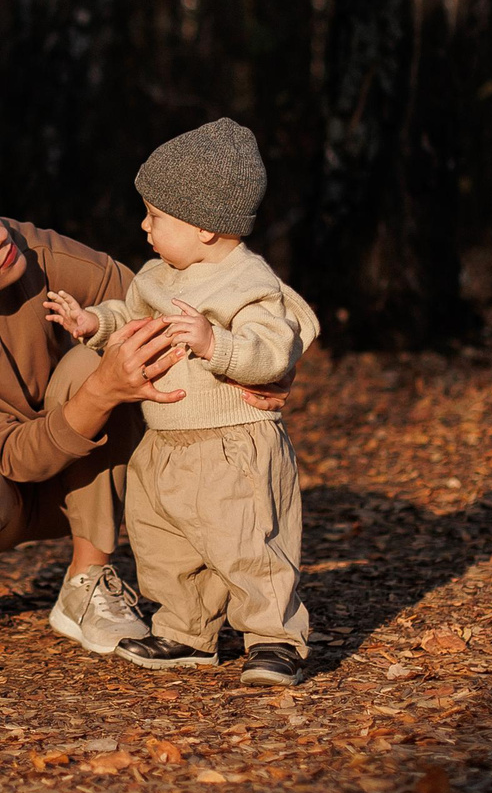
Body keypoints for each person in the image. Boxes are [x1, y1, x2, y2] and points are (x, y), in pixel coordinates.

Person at [0, 156, 285, 655]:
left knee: (108, 355)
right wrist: (103, 390)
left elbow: (181, 302)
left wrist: (259, 363)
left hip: (91, 481)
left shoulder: (38, 255)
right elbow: (14, 454)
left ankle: (88, 580)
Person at [44, 119, 319, 687]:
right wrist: (94, 322)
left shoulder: (248, 282)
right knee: (163, 540)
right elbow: (131, 315)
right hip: (164, 438)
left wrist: (213, 343)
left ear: (206, 228)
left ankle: (274, 638)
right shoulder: (158, 273)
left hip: (230, 441)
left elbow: (274, 347)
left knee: (246, 543)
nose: (144, 226)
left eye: (156, 217)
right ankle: (186, 629)